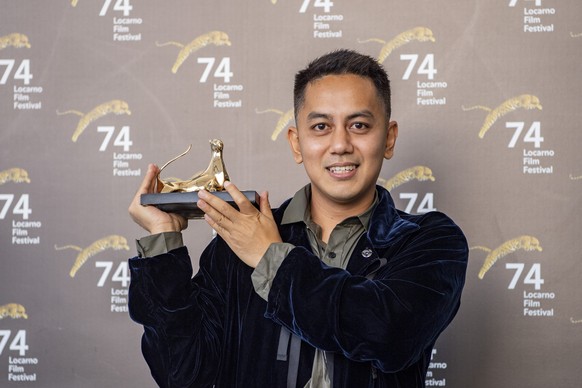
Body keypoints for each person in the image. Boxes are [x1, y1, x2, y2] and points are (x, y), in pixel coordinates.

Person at [127, 49, 468, 388]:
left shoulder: (430, 241)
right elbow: (183, 374)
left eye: (359, 125)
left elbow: (389, 333)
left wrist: (268, 256)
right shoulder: (236, 243)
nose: (340, 144)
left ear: (389, 138)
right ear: (296, 143)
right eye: (321, 126)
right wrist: (163, 244)